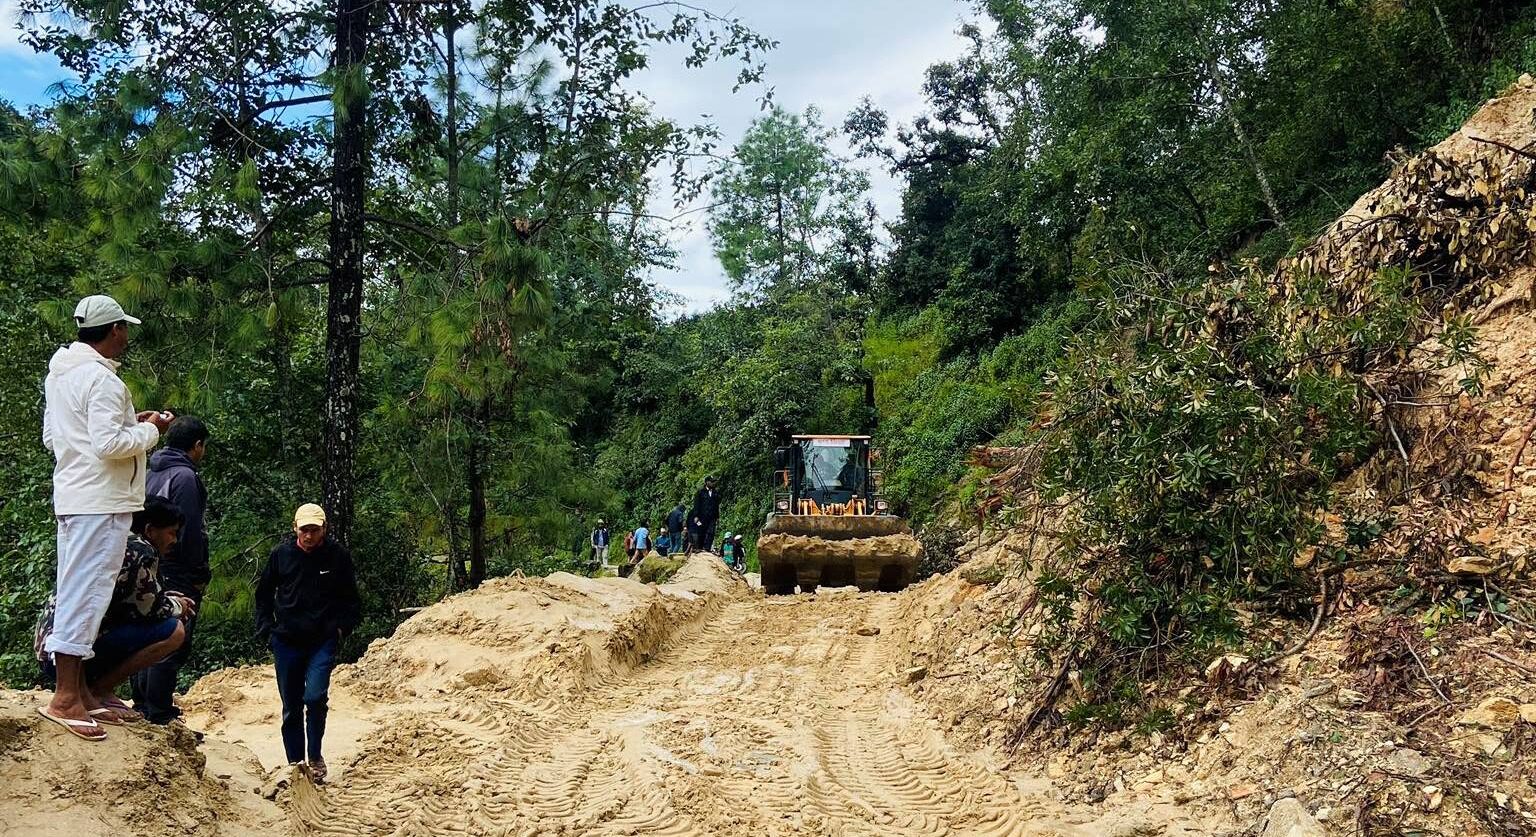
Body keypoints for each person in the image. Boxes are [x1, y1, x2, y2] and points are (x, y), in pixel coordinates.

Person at [38, 294, 173, 740]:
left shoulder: (62, 376)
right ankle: (65, 697)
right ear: (114, 330)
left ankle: (81, 693)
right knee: (87, 593)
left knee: (78, 588)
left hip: (76, 495)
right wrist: (151, 430)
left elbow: (53, 437)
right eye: (124, 329)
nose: (126, 337)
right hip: (101, 500)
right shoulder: (101, 381)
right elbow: (109, 446)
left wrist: (126, 422)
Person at [35, 497, 194, 728]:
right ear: (150, 529)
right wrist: (179, 606)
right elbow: (149, 609)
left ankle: (92, 692)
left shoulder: (109, 541)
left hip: (51, 651)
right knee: (174, 631)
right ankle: (99, 691)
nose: (175, 540)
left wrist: (166, 599)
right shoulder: (141, 550)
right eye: (172, 532)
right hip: (70, 655)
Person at [255, 504, 361, 784]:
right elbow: (263, 593)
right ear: (295, 528)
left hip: (321, 641)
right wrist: (266, 629)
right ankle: (295, 763)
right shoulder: (281, 555)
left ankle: (315, 755)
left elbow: (351, 598)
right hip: (286, 640)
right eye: (305, 530)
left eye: (315, 530)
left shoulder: (337, 556)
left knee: (315, 697)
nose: (309, 535)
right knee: (291, 705)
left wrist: (341, 629)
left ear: (324, 528)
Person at [133, 416, 211, 724]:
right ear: (197, 446)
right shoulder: (185, 477)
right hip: (177, 568)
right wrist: (198, 572)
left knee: (146, 634)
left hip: (148, 563)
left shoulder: (149, 473)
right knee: (173, 638)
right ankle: (160, 712)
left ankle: (142, 705)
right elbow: (188, 530)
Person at [691, 477, 721, 554]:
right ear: (707, 482)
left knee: (711, 532)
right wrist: (696, 516)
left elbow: (716, 505)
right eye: (711, 482)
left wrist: (717, 517)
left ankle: (707, 547)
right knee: (701, 531)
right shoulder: (700, 492)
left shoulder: (715, 492)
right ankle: (700, 547)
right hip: (702, 517)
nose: (713, 483)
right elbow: (696, 505)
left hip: (712, 516)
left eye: (714, 482)